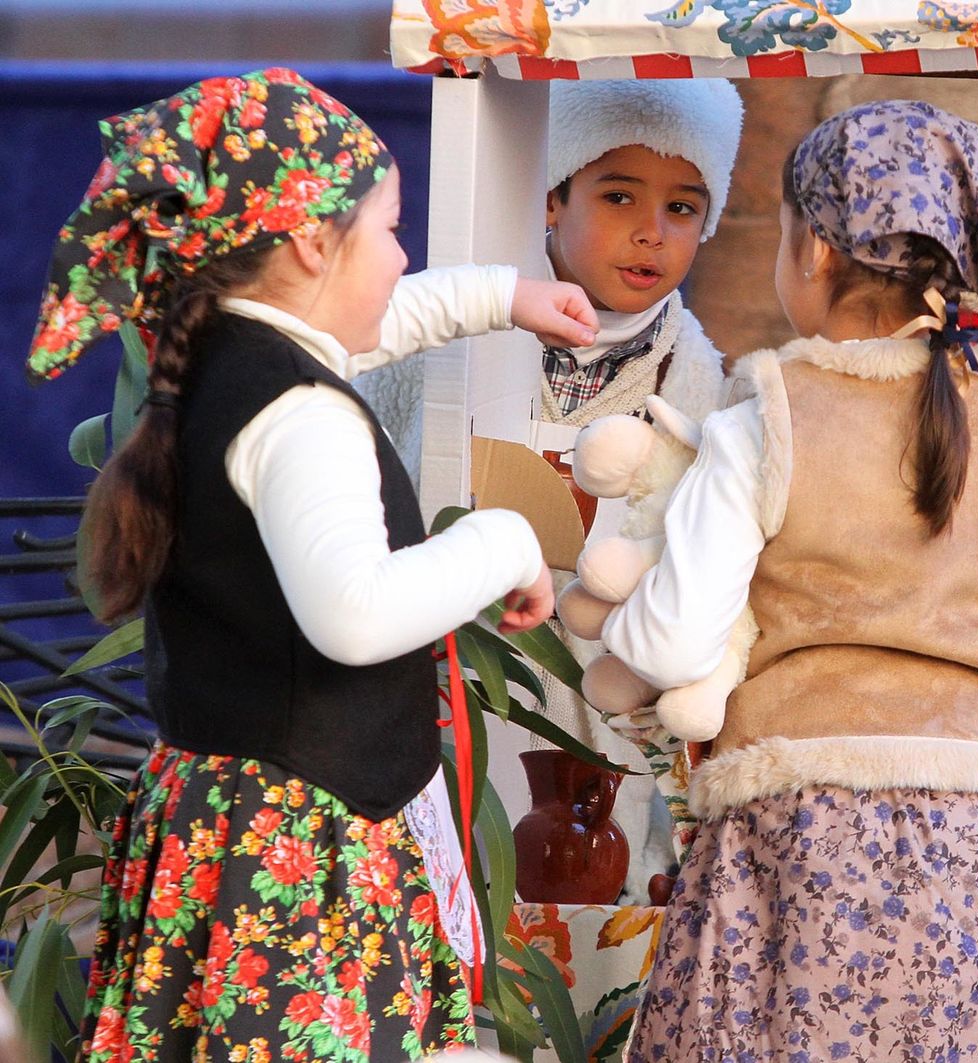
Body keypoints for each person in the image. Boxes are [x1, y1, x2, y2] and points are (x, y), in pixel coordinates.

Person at [25, 68, 596, 1061]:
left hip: (220, 818)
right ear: (307, 241)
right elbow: (355, 614)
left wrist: (506, 295)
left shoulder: (216, 354)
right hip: (297, 848)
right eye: (390, 229)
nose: (402, 254)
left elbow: (366, 327)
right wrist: (502, 538)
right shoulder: (302, 415)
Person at [601, 99, 978, 1061]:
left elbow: (673, 643)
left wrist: (626, 582)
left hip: (794, 839)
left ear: (814, 249)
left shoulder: (766, 412)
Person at [528, 78, 746, 902]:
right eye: (618, 194)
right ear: (553, 195)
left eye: (684, 208)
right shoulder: (458, 348)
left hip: (613, 741)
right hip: (466, 703)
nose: (651, 232)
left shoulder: (704, 393)